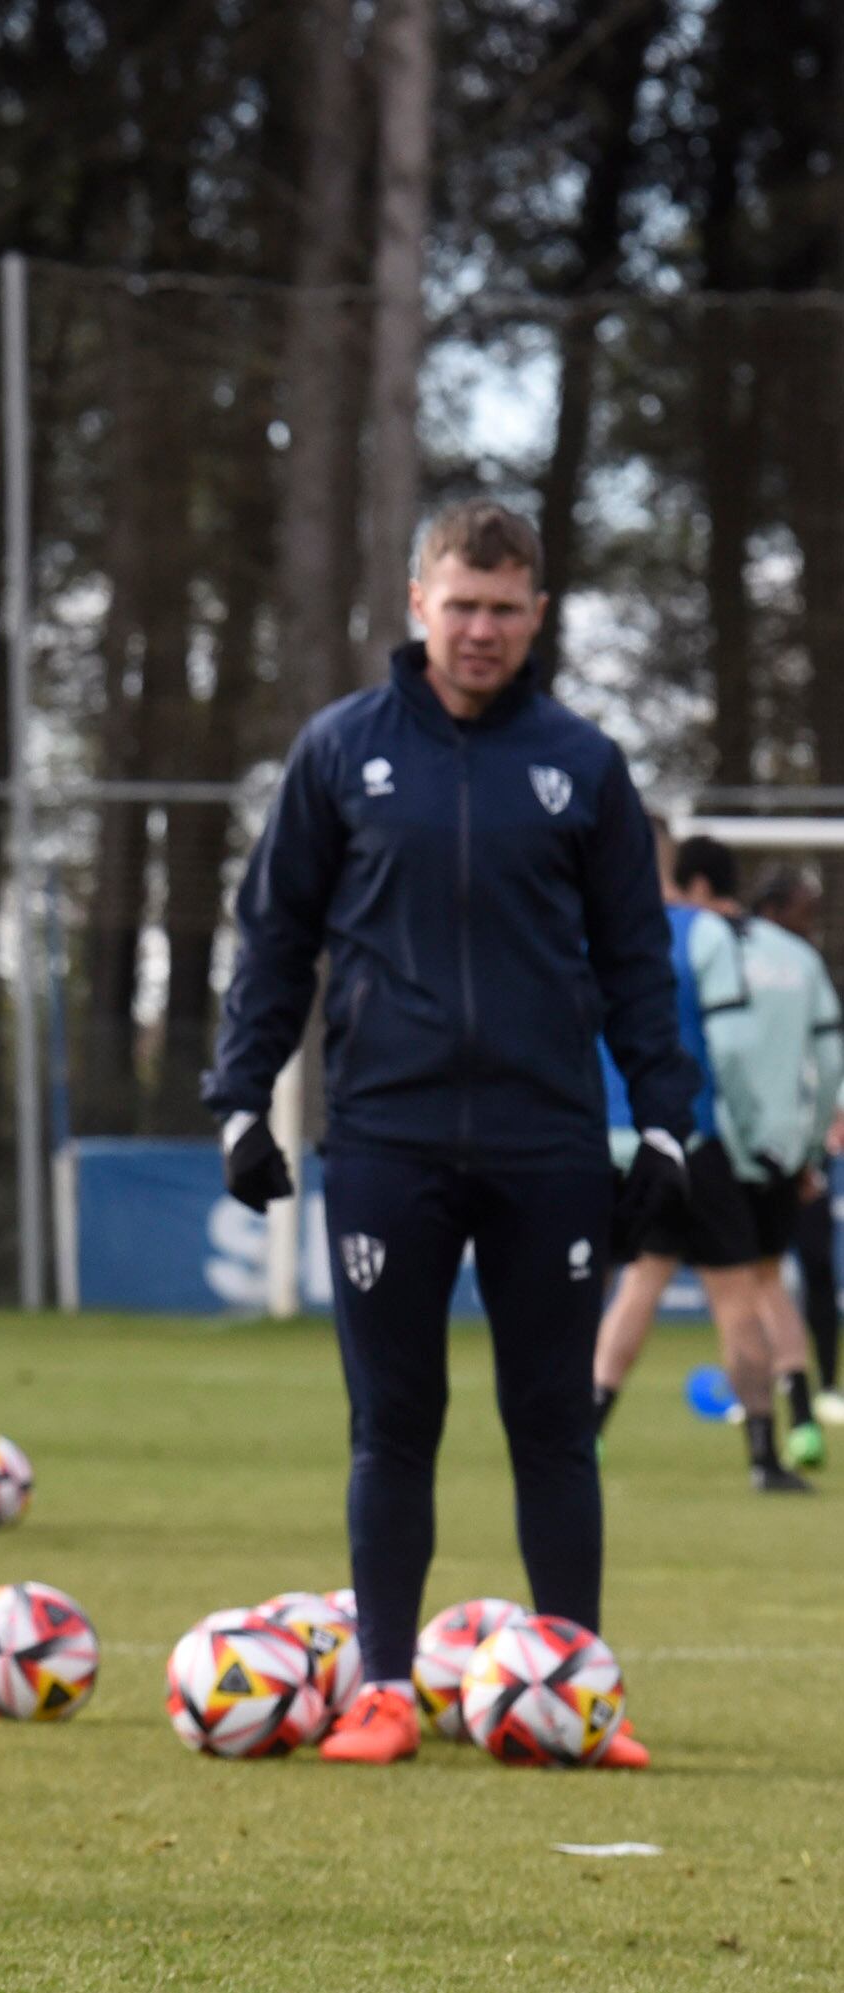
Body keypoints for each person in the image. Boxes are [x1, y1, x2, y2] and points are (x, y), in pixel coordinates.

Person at [205, 499, 692, 1770]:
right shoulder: (340, 751)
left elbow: (640, 961)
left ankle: (577, 1686)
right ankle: (381, 1690)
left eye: (504, 608)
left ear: (538, 618)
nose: (480, 630)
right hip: (387, 1135)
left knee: (553, 1419)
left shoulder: (583, 764)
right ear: (416, 605)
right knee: (394, 1418)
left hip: (546, 1140)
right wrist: (241, 1099)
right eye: (460, 605)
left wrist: (665, 1127)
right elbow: (276, 939)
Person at [587, 834, 808, 1492]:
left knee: (634, 1288)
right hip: (691, 1140)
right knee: (736, 1296)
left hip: (613, 1139)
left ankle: (583, 1436)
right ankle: (764, 1457)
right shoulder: (703, 935)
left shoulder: (591, 928)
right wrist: (750, 1135)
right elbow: (732, 1049)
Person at [748, 866, 844, 1454]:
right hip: (780, 1143)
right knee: (752, 1277)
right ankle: (781, 1399)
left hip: (782, 1143)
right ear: (776, 908)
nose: (810, 923)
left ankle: (820, 1390)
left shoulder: (804, 972)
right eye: (805, 910)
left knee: (786, 1271)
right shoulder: (778, 967)